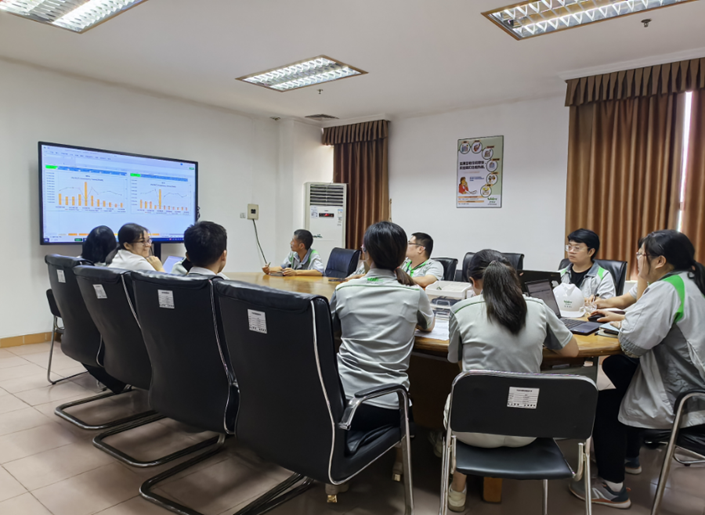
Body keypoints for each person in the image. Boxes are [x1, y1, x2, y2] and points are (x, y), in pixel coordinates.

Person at [569, 230, 705, 509]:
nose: (638, 259)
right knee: (619, 368)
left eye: (641, 255)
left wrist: (622, 322)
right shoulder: (689, 279)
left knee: (607, 397)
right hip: (693, 379)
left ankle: (612, 488)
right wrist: (624, 318)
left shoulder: (666, 288)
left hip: (683, 391)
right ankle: (629, 456)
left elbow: (632, 344)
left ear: (660, 261)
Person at [442, 250, 579, 512]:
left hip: (471, 430)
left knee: (463, 393)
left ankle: (458, 486)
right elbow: (572, 351)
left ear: (473, 281)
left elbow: (459, 365)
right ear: (514, 278)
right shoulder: (537, 307)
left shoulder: (461, 310)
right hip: (527, 430)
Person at [330, 221, 435, 494]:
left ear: (366, 253)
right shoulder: (414, 294)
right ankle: (399, 462)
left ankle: (338, 471)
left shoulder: (344, 291)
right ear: (401, 257)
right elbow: (428, 325)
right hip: (389, 406)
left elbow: (331, 328)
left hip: (340, 399)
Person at [560, 228, 615, 300]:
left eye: (577, 248)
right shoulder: (560, 274)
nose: (571, 251)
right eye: (569, 247)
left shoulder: (603, 276)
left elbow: (607, 303)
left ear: (590, 252)